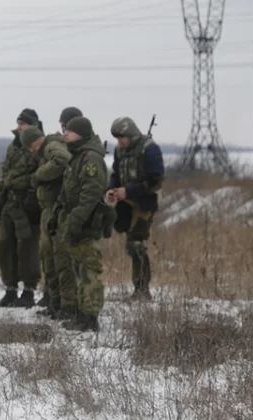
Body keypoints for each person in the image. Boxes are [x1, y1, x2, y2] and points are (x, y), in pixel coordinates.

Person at [52, 116, 108, 332]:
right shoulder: (77, 156)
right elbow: (68, 192)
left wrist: (75, 220)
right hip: (74, 221)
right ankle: (82, 312)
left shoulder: (90, 159)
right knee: (78, 268)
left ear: (82, 133)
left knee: (88, 269)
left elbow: (90, 194)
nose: (65, 133)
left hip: (85, 223)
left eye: (71, 131)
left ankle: (90, 316)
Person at [20, 122, 76, 320]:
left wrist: (39, 174)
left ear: (34, 142)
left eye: (30, 146)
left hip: (58, 210)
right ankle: (56, 302)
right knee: (48, 257)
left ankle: (68, 305)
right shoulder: (46, 149)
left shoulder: (51, 146)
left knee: (61, 258)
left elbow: (63, 161)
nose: (30, 151)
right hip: (49, 210)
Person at [107, 116, 165, 302]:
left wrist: (129, 190)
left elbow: (155, 180)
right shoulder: (119, 151)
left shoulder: (150, 149)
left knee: (136, 243)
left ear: (130, 134)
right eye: (117, 138)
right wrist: (112, 189)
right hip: (126, 201)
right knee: (129, 239)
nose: (120, 142)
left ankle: (142, 290)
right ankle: (139, 289)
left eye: (122, 137)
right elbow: (116, 174)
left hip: (145, 202)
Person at [0, 109, 42, 308]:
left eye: (24, 123)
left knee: (27, 247)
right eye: (19, 123)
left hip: (27, 203)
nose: (20, 127)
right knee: (5, 245)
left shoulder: (39, 145)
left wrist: (29, 192)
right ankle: (10, 289)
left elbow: (40, 173)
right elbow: (5, 173)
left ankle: (29, 290)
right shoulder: (14, 145)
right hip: (9, 203)